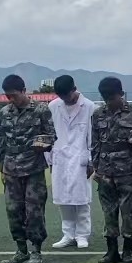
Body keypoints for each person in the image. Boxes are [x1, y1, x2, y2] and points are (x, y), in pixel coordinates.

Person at [0, 75, 55, 263]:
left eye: (14, 95)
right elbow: (1, 141)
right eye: (8, 96)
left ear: (23, 91)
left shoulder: (41, 110)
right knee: (13, 211)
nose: (11, 99)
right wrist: (2, 168)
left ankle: (36, 250)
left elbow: (51, 136)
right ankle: (21, 250)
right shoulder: (4, 113)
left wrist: (42, 145)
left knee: (34, 212)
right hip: (11, 169)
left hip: (33, 169)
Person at [91, 77, 132, 263]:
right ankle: (112, 250)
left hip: (127, 170)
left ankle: (128, 250)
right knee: (109, 212)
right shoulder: (98, 114)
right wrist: (96, 167)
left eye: (112, 97)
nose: (109, 101)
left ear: (121, 94)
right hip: (105, 170)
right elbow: (95, 143)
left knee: (128, 211)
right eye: (105, 98)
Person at [48, 75, 95, 249]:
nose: (65, 99)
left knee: (81, 200)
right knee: (63, 199)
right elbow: (50, 133)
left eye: (67, 95)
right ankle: (68, 234)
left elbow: (92, 136)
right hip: (60, 158)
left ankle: (82, 235)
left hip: (80, 158)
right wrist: (50, 159)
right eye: (61, 96)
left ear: (74, 89)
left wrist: (91, 160)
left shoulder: (89, 107)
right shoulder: (53, 106)